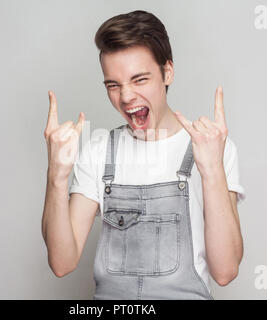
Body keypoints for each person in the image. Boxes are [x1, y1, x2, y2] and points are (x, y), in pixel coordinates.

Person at [42, 10, 246, 300]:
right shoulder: (99, 150)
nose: (125, 97)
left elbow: (226, 271)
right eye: (113, 84)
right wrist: (56, 175)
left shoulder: (213, 147)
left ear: (167, 72)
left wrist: (212, 169)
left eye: (139, 80)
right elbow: (61, 264)